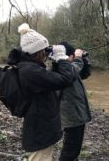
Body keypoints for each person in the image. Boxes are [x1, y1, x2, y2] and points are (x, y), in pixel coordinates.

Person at [16, 23, 76, 161]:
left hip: (40, 128)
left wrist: (56, 62)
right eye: (44, 49)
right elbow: (65, 79)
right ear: (37, 51)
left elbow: (52, 82)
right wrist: (61, 57)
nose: (46, 52)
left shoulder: (29, 68)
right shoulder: (30, 71)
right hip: (40, 132)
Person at [57, 42, 92, 161]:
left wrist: (84, 60)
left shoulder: (69, 70)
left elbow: (85, 74)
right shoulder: (62, 70)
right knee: (70, 149)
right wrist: (78, 58)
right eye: (72, 56)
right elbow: (73, 71)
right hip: (72, 115)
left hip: (77, 114)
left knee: (74, 147)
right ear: (69, 57)